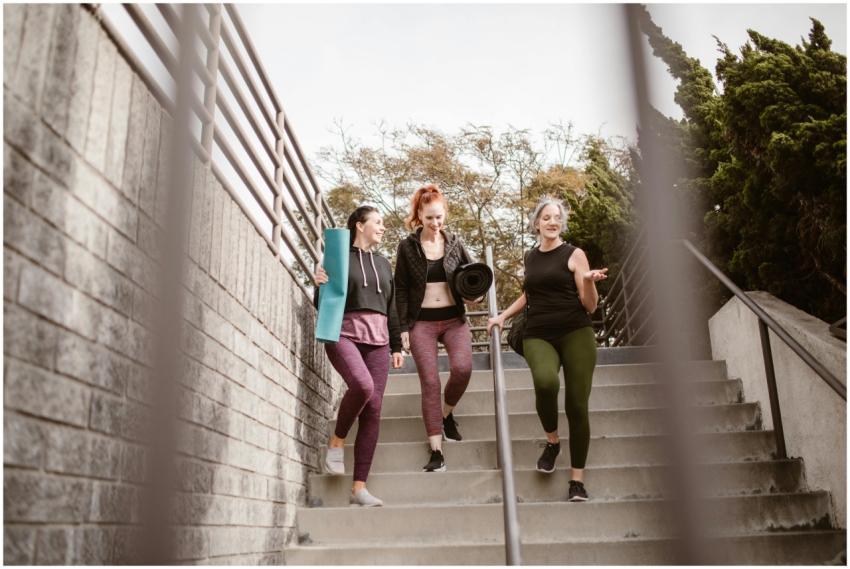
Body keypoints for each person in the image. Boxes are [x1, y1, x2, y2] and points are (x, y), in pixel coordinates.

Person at [487, 196, 607, 502]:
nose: (552, 222)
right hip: (538, 331)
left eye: (557, 218)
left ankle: (576, 480)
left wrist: (590, 281)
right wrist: (502, 315)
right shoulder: (531, 257)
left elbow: (590, 306)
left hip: (575, 331)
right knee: (545, 382)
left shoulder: (574, 254)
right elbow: (529, 294)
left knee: (577, 405)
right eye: (546, 217)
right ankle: (552, 442)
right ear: (536, 223)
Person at [314, 205, 404, 507]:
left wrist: (396, 345)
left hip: (378, 340)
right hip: (344, 334)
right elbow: (324, 301)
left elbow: (391, 308)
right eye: (377, 222)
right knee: (363, 387)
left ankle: (358, 488)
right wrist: (319, 282)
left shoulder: (384, 264)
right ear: (359, 226)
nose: (382, 227)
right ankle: (337, 440)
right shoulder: (339, 258)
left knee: (374, 409)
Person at [394, 184, 479, 472]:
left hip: (454, 320)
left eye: (439, 217)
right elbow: (402, 289)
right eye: (429, 217)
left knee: (463, 369)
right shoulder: (407, 247)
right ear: (419, 214)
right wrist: (403, 327)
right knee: (430, 382)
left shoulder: (455, 243)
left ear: (445, 215)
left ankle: (446, 414)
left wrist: (475, 294)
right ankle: (436, 451)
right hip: (422, 323)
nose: (435, 223)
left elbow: (473, 276)